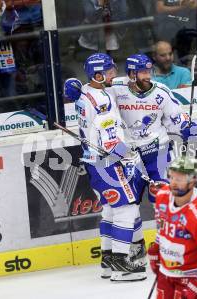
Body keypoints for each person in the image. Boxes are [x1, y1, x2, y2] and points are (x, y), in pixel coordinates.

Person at [65, 53, 197, 204]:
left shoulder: (161, 92)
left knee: (165, 200)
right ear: (131, 73)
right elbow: (92, 88)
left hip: (158, 154)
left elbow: (175, 116)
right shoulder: (114, 87)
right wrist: (74, 86)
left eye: (149, 72)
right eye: (143, 72)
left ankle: (166, 227)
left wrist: (185, 126)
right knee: (129, 205)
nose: (147, 76)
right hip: (128, 158)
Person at [66, 53, 147, 281]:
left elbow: (76, 86)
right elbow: (111, 141)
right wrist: (128, 154)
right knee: (127, 208)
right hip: (107, 162)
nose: (114, 73)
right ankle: (122, 266)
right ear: (99, 75)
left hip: (93, 162)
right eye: (110, 71)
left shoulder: (85, 91)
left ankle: (108, 260)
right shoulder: (101, 101)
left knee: (111, 209)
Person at [147, 155, 197, 298]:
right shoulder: (162, 196)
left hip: (192, 279)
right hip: (166, 275)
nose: (173, 183)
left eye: (179, 179)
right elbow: (162, 228)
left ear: (193, 181)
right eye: (171, 177)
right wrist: (158, 248)